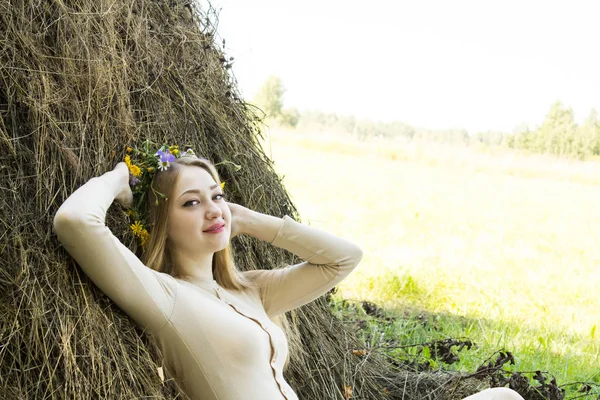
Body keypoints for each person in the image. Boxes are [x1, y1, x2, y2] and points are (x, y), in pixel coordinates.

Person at [52, 151, 524, 400]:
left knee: (502, 396)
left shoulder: (249, 289)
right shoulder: (165, 298)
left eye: (216, 196)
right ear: (161, 224)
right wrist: (119, 180)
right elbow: (75, 222)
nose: (212, 210)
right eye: (191, 202)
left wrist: (248, 218)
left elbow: (343, 259)